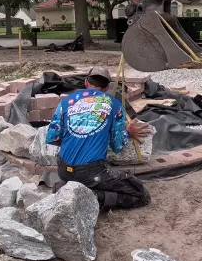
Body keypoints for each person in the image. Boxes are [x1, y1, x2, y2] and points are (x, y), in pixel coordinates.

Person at [46, 66, 152, 210]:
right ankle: (93, 197)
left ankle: (66, 186)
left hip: (63, 169)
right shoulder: (114, 105)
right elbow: (117, 146)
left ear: (86, 82)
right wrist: (128, 133)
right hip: (92, 172)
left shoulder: (66, 102)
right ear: (107, 87)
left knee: (80, 173)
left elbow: (52, 137)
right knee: (141, 195)